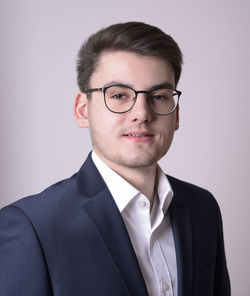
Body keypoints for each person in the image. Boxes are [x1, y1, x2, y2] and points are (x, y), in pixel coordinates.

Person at [0, 22, 230, 296]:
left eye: (158, 96)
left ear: (176, 114)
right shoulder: (31, 228)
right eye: (119, 95)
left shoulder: (203, 209)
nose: (142, 113)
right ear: (83, 110)